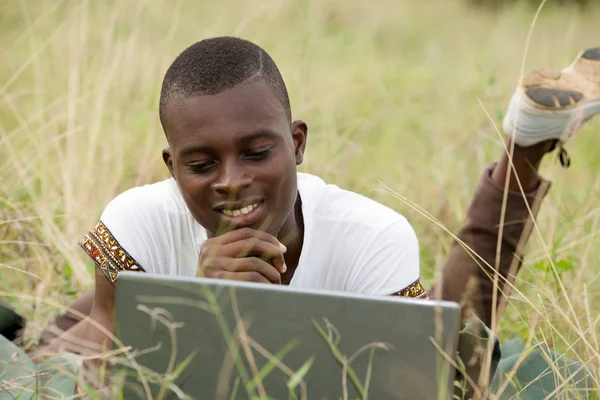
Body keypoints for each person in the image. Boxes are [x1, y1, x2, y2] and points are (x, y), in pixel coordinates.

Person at [20, 39, 600, 397]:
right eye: (201, 163)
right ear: (173, 167)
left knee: (457, 359)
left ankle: (522, 153)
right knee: (40, 366)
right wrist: (201, 309)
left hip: (374, 353)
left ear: (297, 144)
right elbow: (104, 373)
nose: (230, 181)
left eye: (256, 152)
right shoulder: (137, 220)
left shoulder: (369, 233)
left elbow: (420, 385)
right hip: (103, 327)